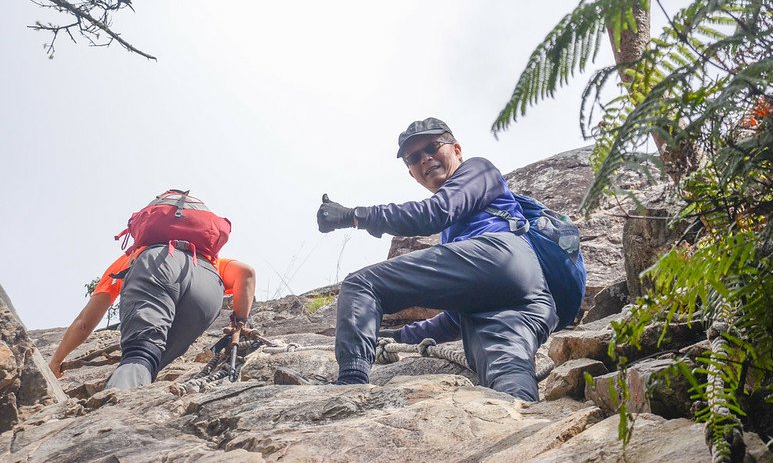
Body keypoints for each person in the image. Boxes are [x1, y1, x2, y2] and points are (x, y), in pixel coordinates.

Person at [315, 118, 558, 401]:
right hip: (523, 299)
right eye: (414, 157)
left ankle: (351, 383)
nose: (425, 158)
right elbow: (453, 320)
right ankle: (526, 425)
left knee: (361, 285)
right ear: (412, 173)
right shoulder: (456, 233)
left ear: (456, 149)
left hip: (501, 254)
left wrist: (353, 215)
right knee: (506, 376)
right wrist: (397, 338)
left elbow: (435, 213)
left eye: (432, 147)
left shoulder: (478, 169)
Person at [49, 249, 255, 389]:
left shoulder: (136, 255)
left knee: (140, 355)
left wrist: (56, 361)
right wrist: (240, 323)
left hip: (157, 269)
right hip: (209, 286)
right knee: (152, 362)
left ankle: (114, 415)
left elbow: (84, 323)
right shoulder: (208, 258)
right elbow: (246, 273)